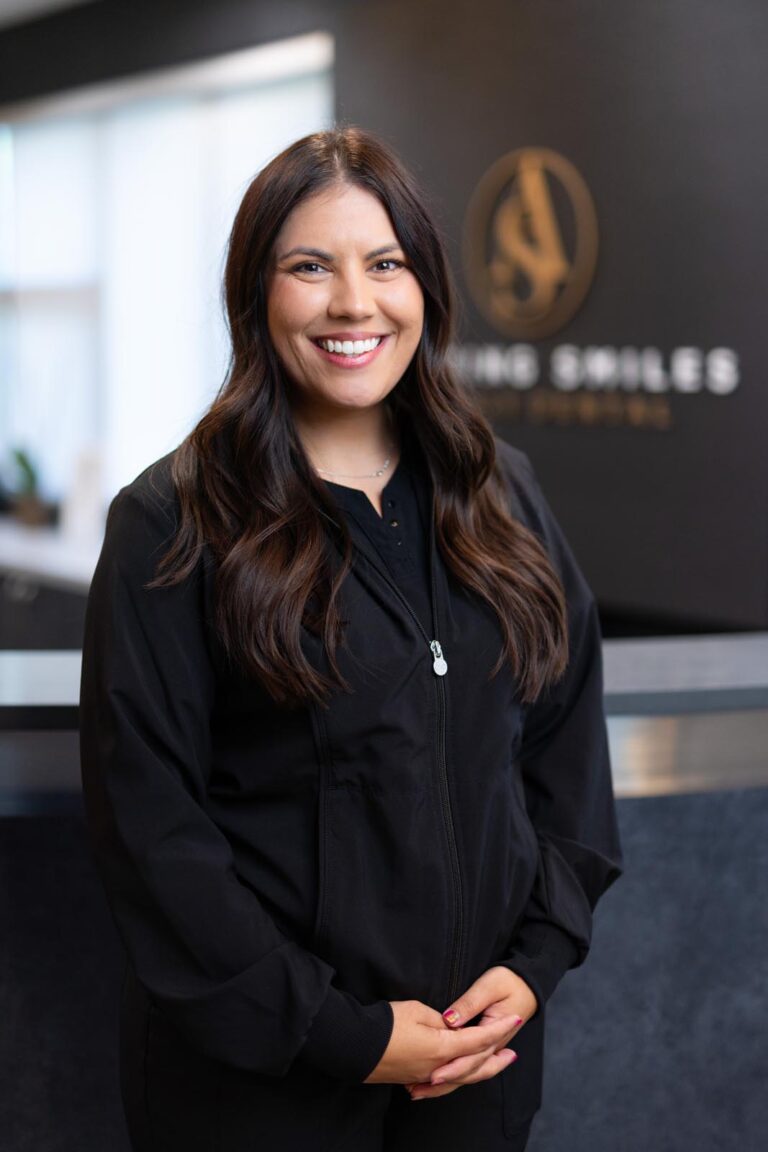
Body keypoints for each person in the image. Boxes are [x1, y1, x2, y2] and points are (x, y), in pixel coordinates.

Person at [79, 125, 623, 1152]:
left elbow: (565, 739)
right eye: (309, 268)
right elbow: (155, 831)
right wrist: (345, 1033)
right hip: (261, 1092)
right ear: (257, 294)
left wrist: (536, 961)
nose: (353, 304)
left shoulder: (498, 492)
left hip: (475, 1068)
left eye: (386, 264)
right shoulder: (174, 522)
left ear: (426, 287)